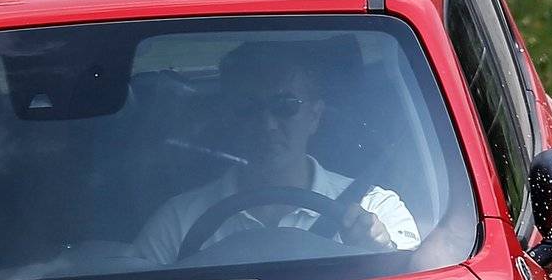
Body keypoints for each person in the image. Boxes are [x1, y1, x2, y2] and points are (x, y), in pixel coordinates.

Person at [134, 46, 420, 266]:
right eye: (248, 108)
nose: (267, 124)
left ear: (315, 116)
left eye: (285, 106)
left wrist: (379, 252)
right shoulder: (178, 221)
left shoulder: (376, 208)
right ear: (229, 118)